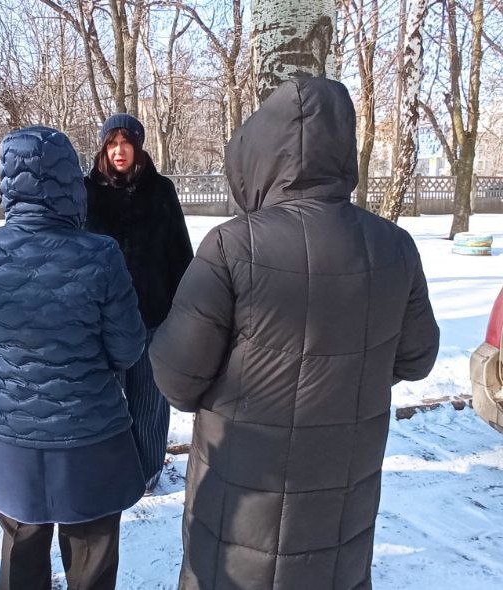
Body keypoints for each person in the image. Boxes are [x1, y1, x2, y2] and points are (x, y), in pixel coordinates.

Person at [149, 76, 440, 589]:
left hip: (241, 509)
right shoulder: (395, 247)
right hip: (340, 502)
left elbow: (177, 379)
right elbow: (416, 358)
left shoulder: (231, 247)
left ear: (260, 152)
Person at [0, 126, 147, 590]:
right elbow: (127, 347)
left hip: (12, 438)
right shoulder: (100, 254)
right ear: (70, 183)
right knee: (91, 556)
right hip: (91, 435)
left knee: (20, 549)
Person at [84, 113, 194, 492]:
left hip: (152, 315)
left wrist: (184, 311)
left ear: (138, 146)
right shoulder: (86, 192)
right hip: (102, 321)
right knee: (107, 400)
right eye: (112, 143)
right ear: (103, 148)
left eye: (126, 143)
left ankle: (147, 470)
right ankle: (111, 469)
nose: (119, 151)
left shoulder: (160, 190)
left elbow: (180, 253)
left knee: (149, 400)